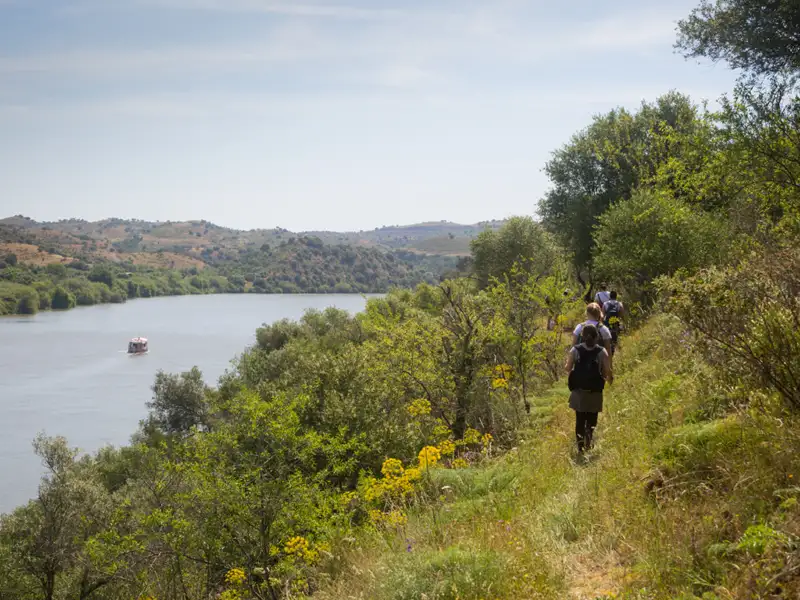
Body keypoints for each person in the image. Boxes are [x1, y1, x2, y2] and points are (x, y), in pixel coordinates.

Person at [565, 324, 612, 454]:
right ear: (597, 337)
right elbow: (607, 371)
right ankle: (589, 442)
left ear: (582, 336)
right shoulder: (601, 351)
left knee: (579, 419)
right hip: (595, 392)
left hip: (579, 392)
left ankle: (580, 448)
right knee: (592, 419)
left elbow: (568, 368)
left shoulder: (575, 350)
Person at [602, 291, 624, 355]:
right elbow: (622, 313)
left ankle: (608, 345)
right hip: (616, 321)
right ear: (616, 296)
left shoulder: (605, 303)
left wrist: (602, 321)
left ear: (610, 296)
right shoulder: (619, 303)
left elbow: (603, 315)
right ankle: (615, 345)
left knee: (607, 333)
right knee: (616, 333)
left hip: (607, 322)